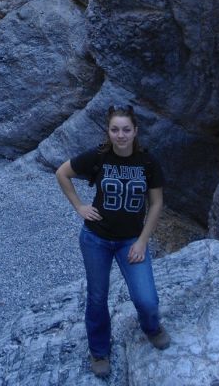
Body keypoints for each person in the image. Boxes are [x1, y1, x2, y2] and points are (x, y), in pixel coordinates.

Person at [55, 104, 170, 378]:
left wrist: (142, 241)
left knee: (147, 300)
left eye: (126, 130)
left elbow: (156, 204)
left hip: (130, 241)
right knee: (97, 297)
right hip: (96, 239)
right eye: (115, 129)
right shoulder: (99, 157)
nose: (121, 135)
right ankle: (99, 351)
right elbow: (62, 173)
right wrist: (80, 207)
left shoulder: (148, 162)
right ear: (108, 131)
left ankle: (152, 327)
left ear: (135, 131)